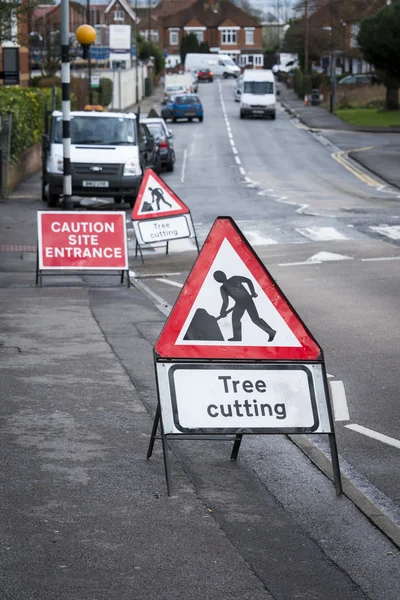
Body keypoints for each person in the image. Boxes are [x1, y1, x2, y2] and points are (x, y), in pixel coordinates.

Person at [213, 270, 276, 342]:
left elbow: (248, 281)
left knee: (254, 319)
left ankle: (271, 332)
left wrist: (253, 292)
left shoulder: (233, 279)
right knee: (236, 319)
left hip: (247, 300)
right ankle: (237, 338)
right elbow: (225, 302)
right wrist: (223, 311)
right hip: (240, 303)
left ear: (217, 280)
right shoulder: (225, 287)